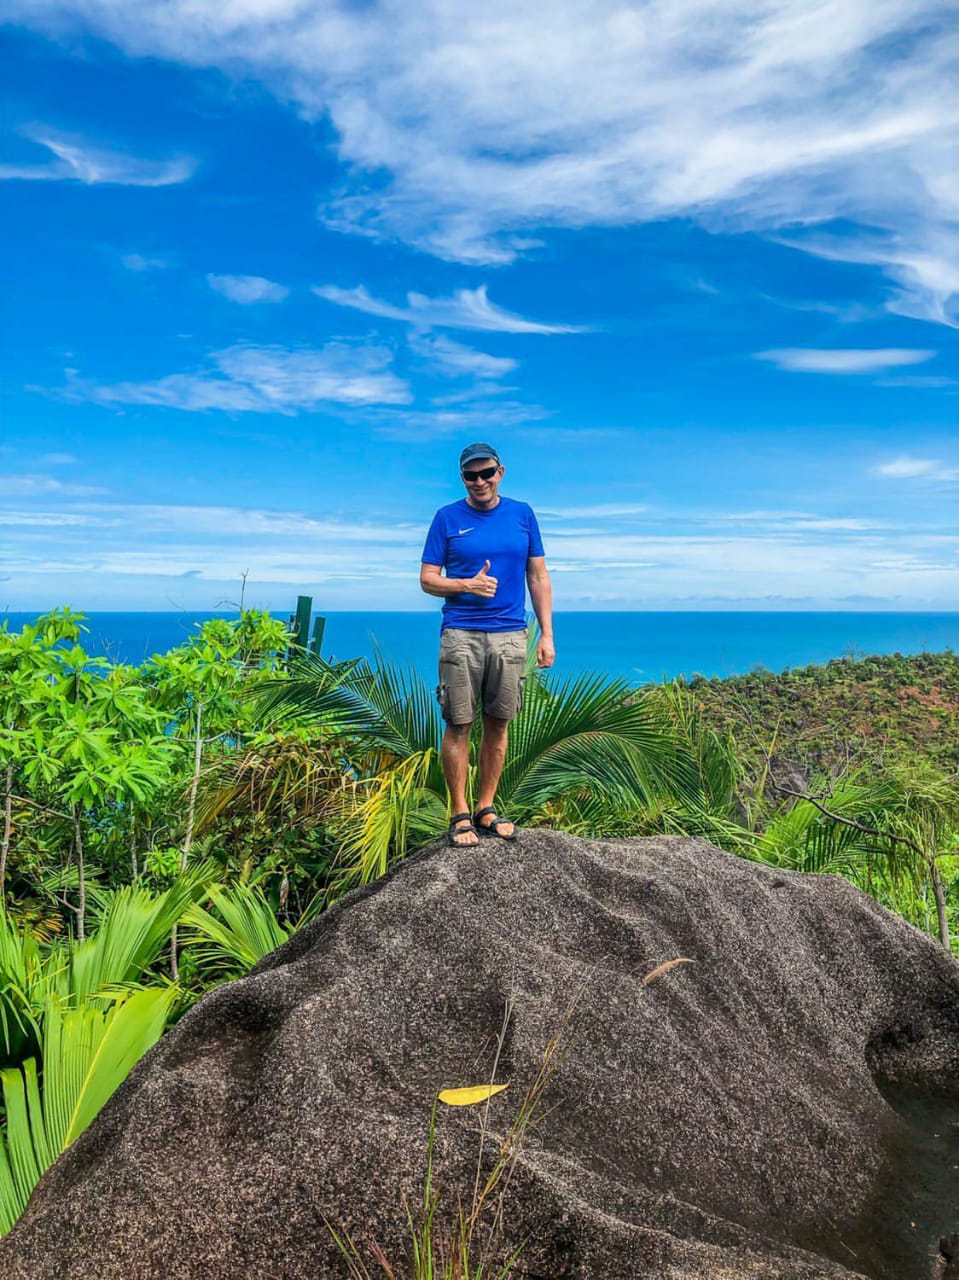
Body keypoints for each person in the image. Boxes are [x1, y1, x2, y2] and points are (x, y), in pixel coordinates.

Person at [420, 442, 555, 847]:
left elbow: (538, 576)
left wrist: (546, 634)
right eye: (471, 475)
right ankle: (460, 813)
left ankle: (487, 807)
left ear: (501, 472)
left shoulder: (522, 514)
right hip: (460, 633)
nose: (480, 481)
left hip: (511, 634)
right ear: (462, 478)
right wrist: (467, 585)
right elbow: (428, 579)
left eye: (487, 473)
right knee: (458, 723)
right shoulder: (446, 518)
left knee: (499, 723)